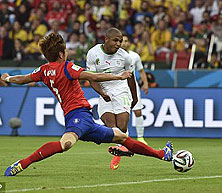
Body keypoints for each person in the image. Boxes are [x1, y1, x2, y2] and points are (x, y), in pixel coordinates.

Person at [3, 32, 173, 177]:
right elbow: (93, 76)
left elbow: (22, 79)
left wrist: (7, 78)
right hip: (79, 116)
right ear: (61, 54)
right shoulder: (67, 67)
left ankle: (162, 154)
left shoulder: (43, 70)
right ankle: (22, 164)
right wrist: (118, 76)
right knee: (66, 144)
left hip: (84, 119)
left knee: (121, 136)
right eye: (66, 50)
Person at [86, 28, 149, 170]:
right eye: (116, 40)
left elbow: (131, 78)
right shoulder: (93, 53)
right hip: (104, 90)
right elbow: (91, 78)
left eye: (120, 41)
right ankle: (123, 148)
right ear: (106, 39)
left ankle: (120, 151)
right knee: (110, 126)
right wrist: (102, 93)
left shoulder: (125, 56)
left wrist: (134, 96)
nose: (119, 43)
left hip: (121, 89)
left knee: (122, 126)